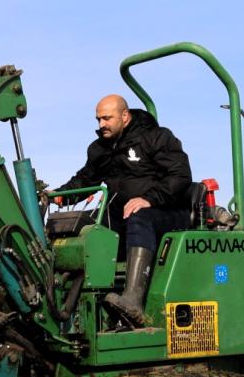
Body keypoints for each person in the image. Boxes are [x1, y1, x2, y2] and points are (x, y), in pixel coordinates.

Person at [53, 94, 192, 327]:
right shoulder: (100, 149)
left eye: (107, 118)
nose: (101, 125)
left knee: (139, 216)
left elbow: (180, 175)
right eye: (98, 119)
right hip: (123, 216)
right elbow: (85, 179)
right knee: (87, 228)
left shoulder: (157, 138)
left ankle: (133, 301)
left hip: (166, 212)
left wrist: (149, 199)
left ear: (125, 116)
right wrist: (61, 195)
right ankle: (72, 303)